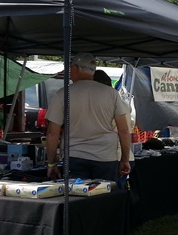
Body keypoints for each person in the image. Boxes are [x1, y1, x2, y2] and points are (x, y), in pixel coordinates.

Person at [45, 53, 131, 182]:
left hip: (75, 156)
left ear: (76, 69)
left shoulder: (63, 94)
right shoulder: (111, 93)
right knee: (104, 194)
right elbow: (124, 131)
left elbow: (52, 133)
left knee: (76, 194)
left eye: (70, 67)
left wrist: (52, 164)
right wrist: (125, 159)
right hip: (105, 157)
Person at [92, 69, 134, 189]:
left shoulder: (106, 104)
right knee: (117, 192)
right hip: (123, 155)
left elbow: (124, 131)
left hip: (115, 157)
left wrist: (124, 159)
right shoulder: (120, 102)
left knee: (111, 193)